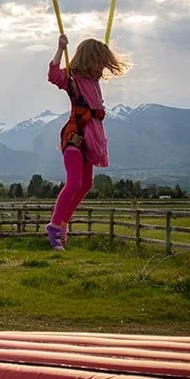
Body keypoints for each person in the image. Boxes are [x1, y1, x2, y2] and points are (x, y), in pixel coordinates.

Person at [46, 34, 128, 250]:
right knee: (74, 182)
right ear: (88, 59)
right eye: (99, 62)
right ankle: (54, 226)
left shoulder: (93, 81)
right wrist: (59, 48)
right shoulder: (73, 81)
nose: (101, 67)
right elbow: (53, 75)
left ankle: (64, 223)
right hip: (75, 136)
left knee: (87, 184)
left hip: (90, 139)